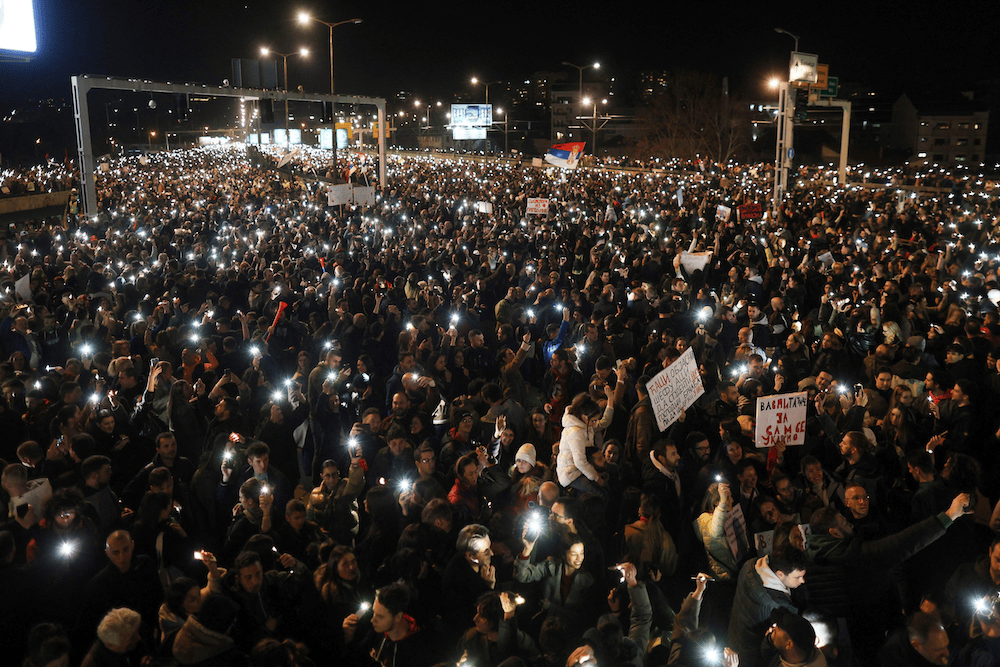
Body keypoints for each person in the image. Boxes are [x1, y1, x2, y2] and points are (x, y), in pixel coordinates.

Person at [728, 547, 808, 667]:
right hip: (751, 654)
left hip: (735, 635)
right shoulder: (774, 604)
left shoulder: (750, 565)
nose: (802, 580)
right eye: (797, 577)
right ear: (780, 574)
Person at [556, 393, 612, 498]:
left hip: (582, 468)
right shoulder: (575, 432)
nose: (595, 423)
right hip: (571, 473)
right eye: (593, 420)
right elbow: (580, 461)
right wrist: (596, 478)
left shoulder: (586, 426)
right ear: (584, 417)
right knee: (600, 493)